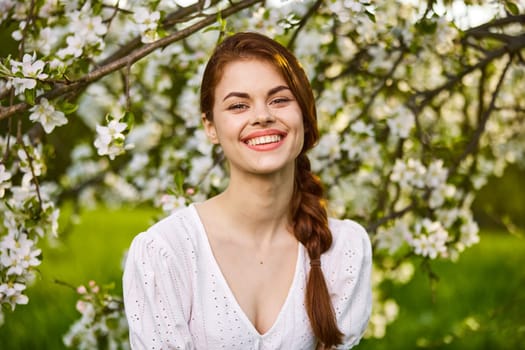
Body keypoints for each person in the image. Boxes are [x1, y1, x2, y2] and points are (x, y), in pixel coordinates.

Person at [123, 31, 372, 350]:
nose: (262, 116)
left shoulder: (343, 249)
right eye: (238, 105)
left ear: (305, 114)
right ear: (210, 126)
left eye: (279, 99)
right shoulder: (165, 252)